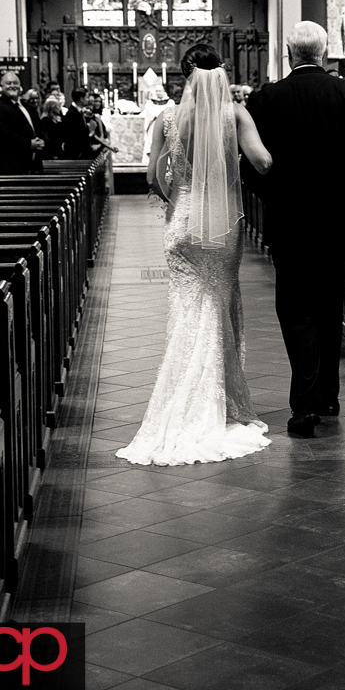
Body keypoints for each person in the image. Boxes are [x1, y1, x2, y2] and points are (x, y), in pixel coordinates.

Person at [116, 44, 273, 466]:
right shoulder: (234, 113)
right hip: (221, 222)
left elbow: (152, 176)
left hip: (181, 221)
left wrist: (178, 200)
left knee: (188, 307)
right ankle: (217, 403)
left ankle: (182, 398)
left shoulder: (167, 118)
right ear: (219, 73)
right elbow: (261, 162)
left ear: (186, 76)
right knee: (219, 303)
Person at [245, 21, 345, 438]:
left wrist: (272, 195)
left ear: (289, 54)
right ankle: (327, 395)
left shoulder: (267, 97)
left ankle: (305, 405)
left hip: (288, 221)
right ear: (323, 54)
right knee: (329, 305)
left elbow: (250, 165)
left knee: (295, 310)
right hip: (338, 219)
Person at [0, 71, 45, 174]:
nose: (12, 86)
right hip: (7, 166)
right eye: (8, 83)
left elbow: (40, 129)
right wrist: (29, 143)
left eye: (15, 83)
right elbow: (2, 134)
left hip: (31, 165)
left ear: (20, 86)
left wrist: (42, 141)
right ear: (1, 87)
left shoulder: (28, 108)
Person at [62, 88, 94, 158]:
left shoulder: (78, 111)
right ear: (81, 99)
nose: (88, 99)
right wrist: (91, 133)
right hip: (76, 153)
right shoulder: (72, 114)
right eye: (87, 97)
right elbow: (75, 136)